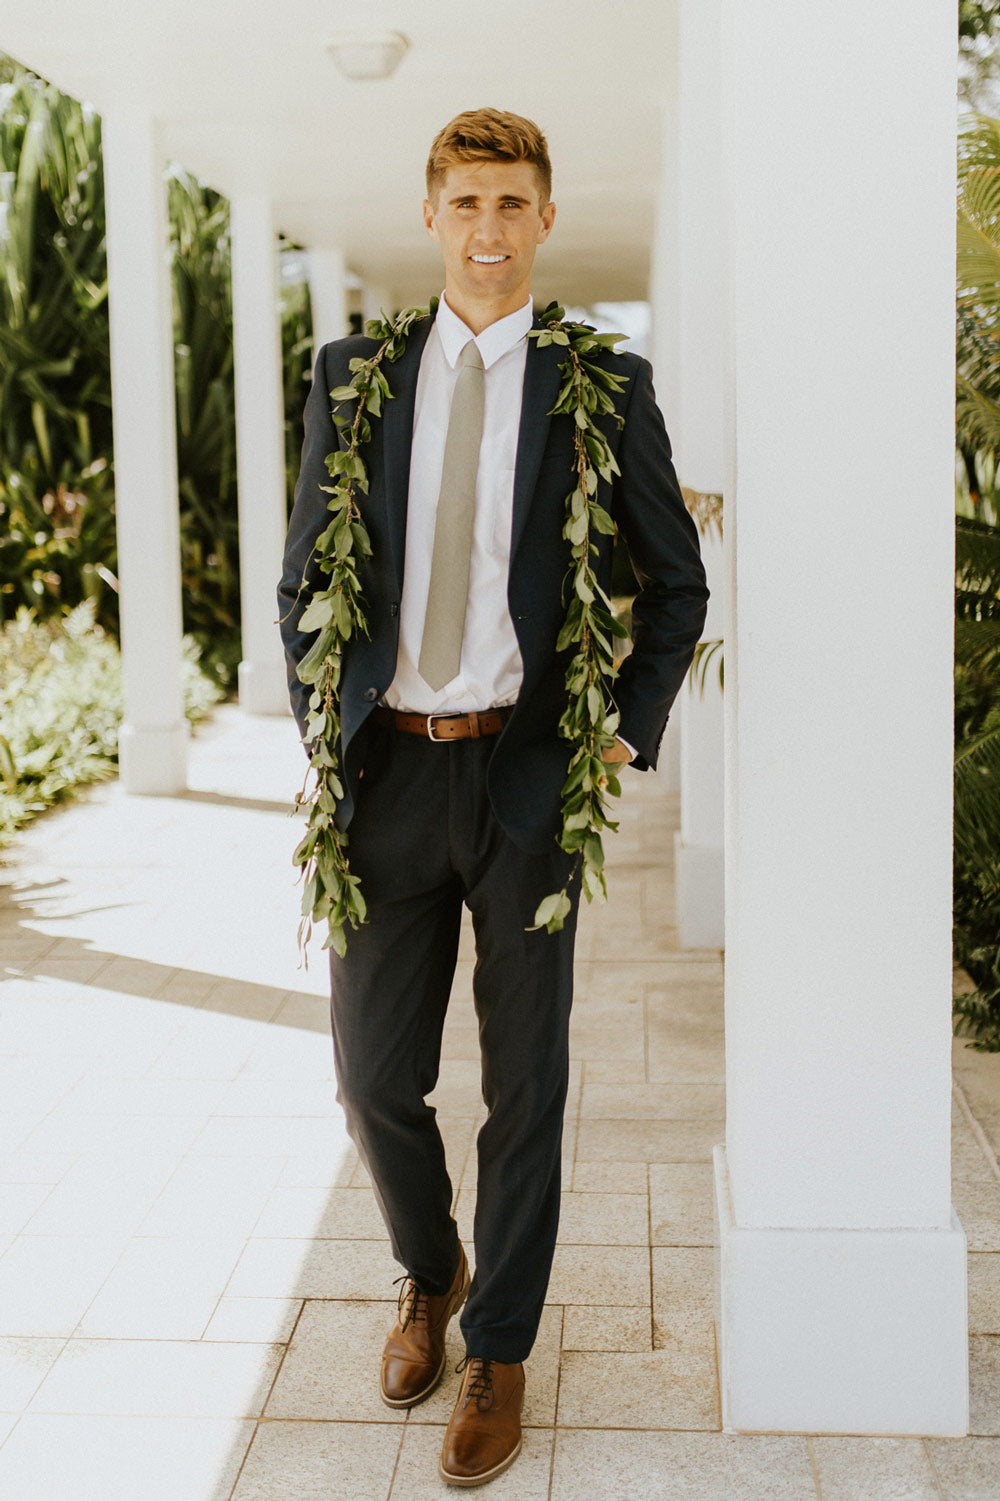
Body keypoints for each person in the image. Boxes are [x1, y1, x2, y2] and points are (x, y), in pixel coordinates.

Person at [278, 107, 708, 1488]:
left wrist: (624, 734)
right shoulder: (353, 378)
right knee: (370, 1074)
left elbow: (675, 582)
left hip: (528, 779)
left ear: (543, 220)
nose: (487, 230)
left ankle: (501, 1345)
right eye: (465, 202)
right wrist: (317, 727)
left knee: (528, 1084)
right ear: (431, 215)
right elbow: (304, 584)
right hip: (388, 771)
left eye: (512, 204)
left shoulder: (603, 385)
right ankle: (429, 1267)